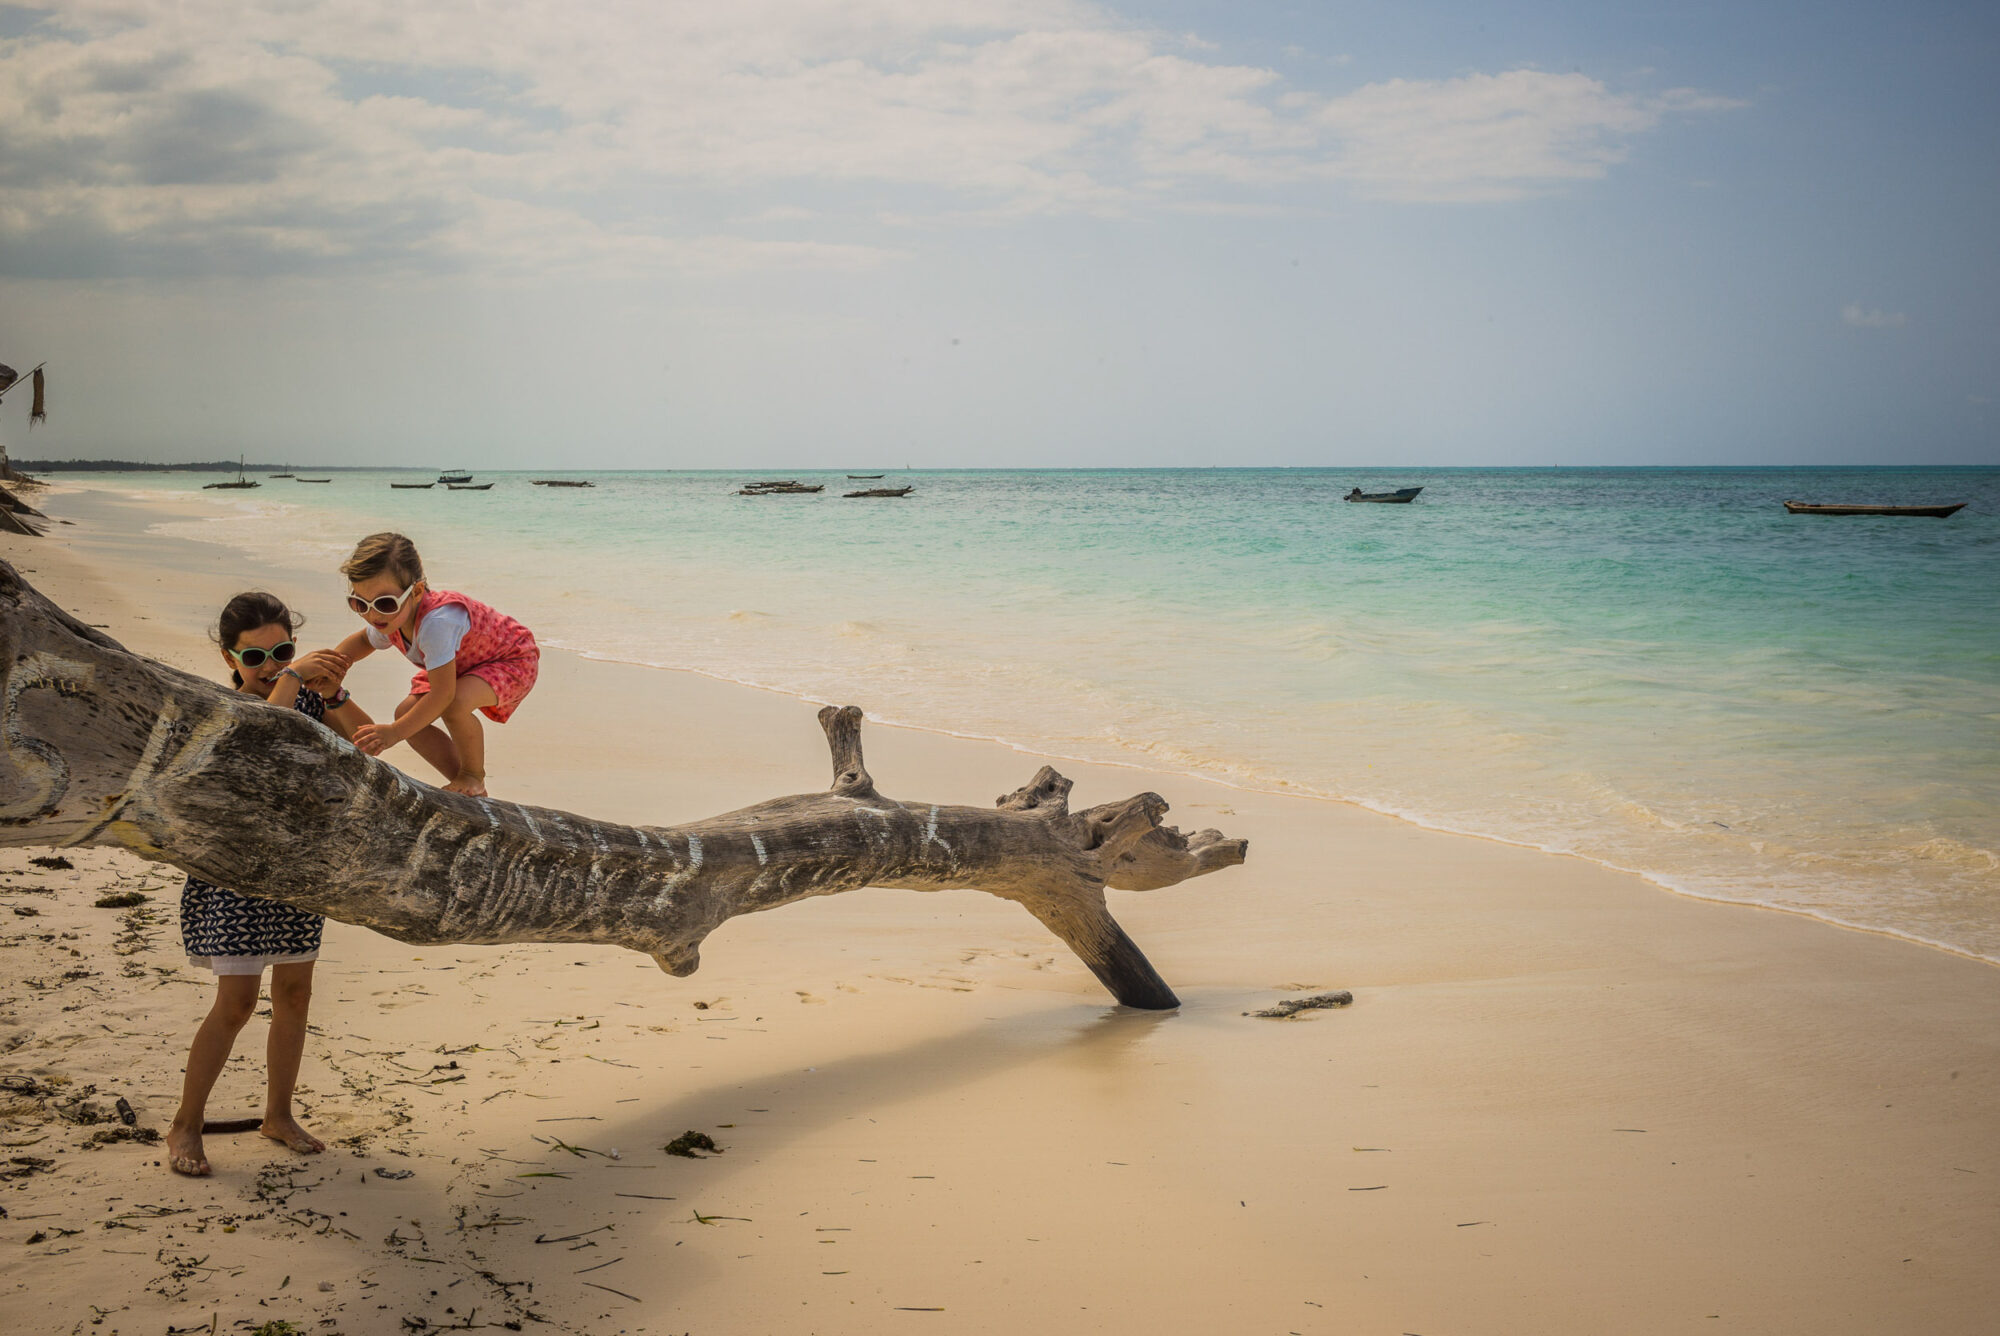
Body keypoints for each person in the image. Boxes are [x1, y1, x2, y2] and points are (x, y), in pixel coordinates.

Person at [167, 591, 371, 1178]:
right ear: (230, 659)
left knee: (295, 997)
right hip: (232, 875)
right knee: (235, 1005)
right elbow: (261, 737)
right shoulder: (220, 705)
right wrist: (293, 681)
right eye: (255, 657)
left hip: (297, 870)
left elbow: (372, 745)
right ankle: (186, 1124)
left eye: (283, 650)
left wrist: (333, 692)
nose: (271, 665)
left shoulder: (306, 695)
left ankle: (278, 1114)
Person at [333, 532, 539, 797]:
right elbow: (363, 641)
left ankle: (473, 775)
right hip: (461, 663)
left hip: (511, 658)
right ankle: (465, 786)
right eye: (359, 603)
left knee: (454, 705)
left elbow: (444, 694)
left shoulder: (437, 624)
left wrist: (394, 734)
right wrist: (333, 666)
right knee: (406, 713)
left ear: (416, 591)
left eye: (384, 603)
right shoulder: (390, 616)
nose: (372, 614)